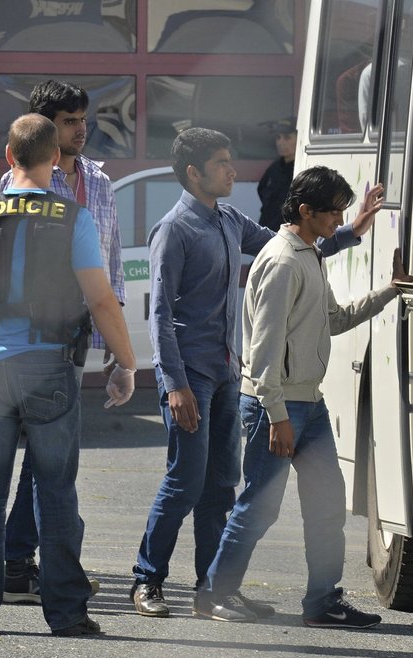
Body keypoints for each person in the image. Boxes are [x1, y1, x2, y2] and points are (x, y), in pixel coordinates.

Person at [130, 128, 381, 618]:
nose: (233, 170)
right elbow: (158, 314)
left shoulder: (227, 220)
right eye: (222, 163)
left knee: (221, 485)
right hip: (191, 376)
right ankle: (147, 580)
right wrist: (174, 383)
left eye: (230, 160)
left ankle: (213, 588)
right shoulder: (174, 229)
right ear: (194, 173)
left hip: (227, 372)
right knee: (184, 481)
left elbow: (291, 246)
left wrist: (352, 231)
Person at [0, 113, 136, 636]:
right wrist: (126, 363)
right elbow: (101, 298)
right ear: (54, 159)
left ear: (8, 158)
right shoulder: (73, 216)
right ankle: (67, 613)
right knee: (56, 490)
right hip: (50, 364)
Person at [196, 166, 413, 628]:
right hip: (275, 406)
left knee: (327, 502)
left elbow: (334, 318)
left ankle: (322, 603)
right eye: (333, 211)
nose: (340, 219)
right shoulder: (282, 261)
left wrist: (391, 291)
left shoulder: (309, 254)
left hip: (307, 405)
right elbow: (262, 353)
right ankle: (216, 594)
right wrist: (276, 416)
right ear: (305, 210)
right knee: (258, 505)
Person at [0, 79, 124, 603]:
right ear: (46, 128)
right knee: (28, 457)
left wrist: (114, 339)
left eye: (82, 118)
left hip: (75, 339)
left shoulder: (98, 182)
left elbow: (111, 261)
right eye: (70, 120)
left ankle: (23, 560)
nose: (82, 128)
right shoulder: (15, 187)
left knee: (53, 457)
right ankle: (19, 561)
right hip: (25, 341)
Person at [256, 116, 296, 231]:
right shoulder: (274, 168)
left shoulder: (303, 170)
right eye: (278, 138)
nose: (280, 142)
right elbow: (261, 190)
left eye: (287, 138)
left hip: (288, 233)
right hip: (266, 229)